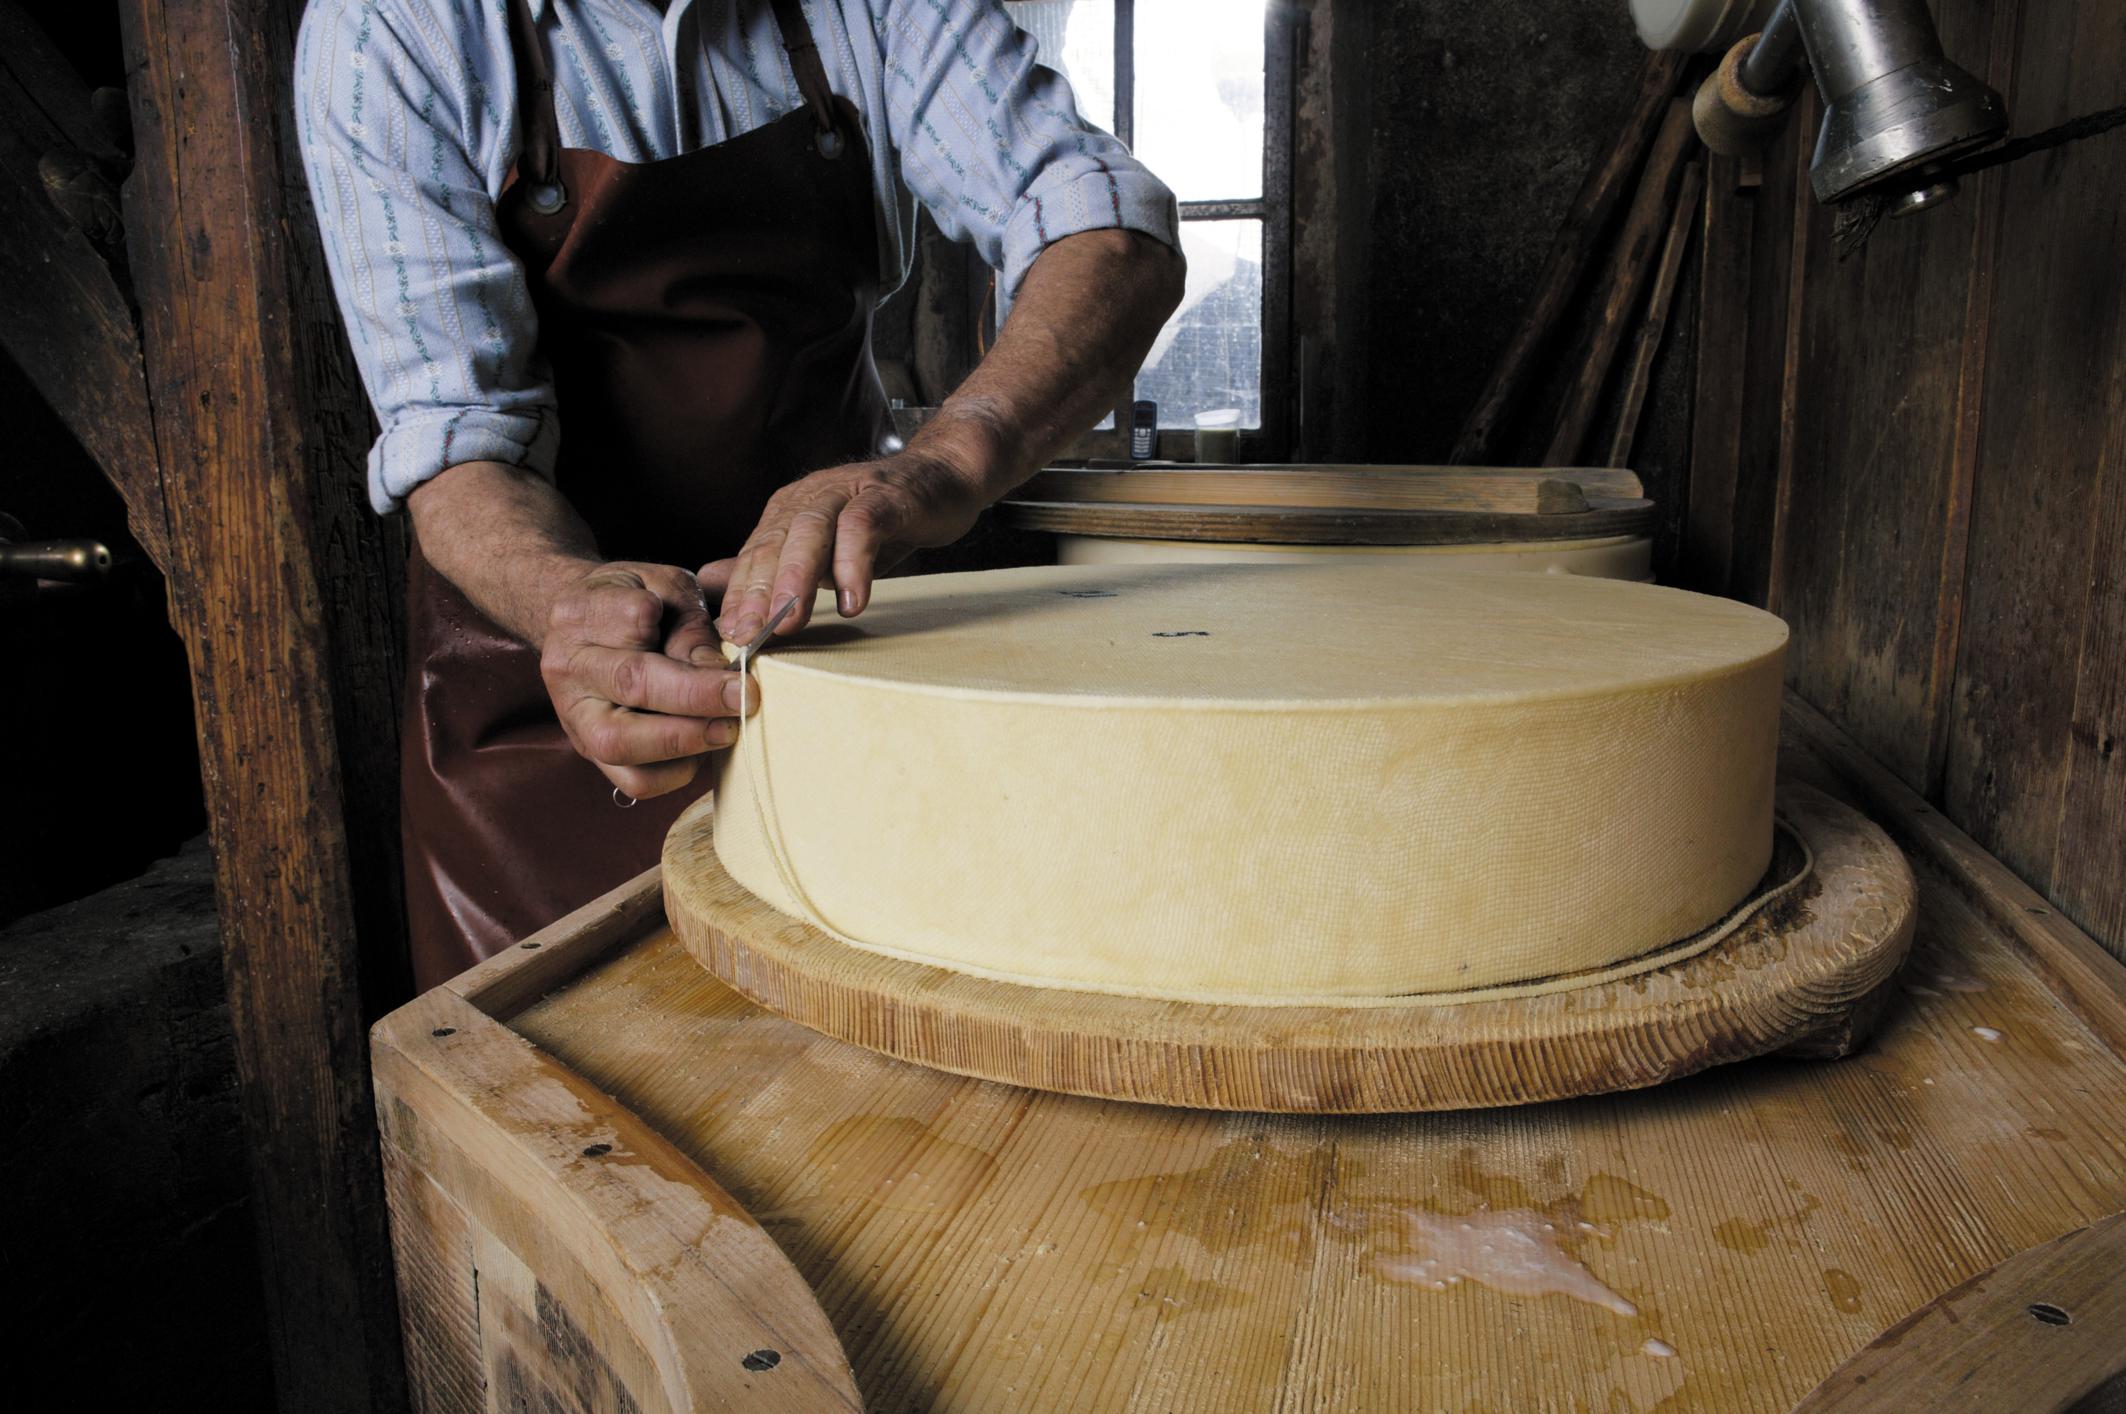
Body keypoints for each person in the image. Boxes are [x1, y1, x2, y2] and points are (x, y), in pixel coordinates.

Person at [296, 0, 1184, 986]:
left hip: (832, 658)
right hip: (552, 690)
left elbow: (1107, 226)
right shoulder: (392, 25)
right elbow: (459, 442)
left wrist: (945, 461)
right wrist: (571, 607)